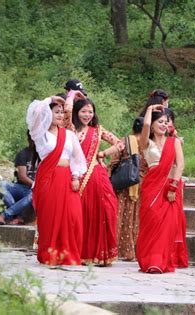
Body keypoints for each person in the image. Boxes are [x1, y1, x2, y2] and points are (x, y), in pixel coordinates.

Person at [26, 95, 87, 265]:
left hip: (67, 177)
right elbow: (36, 112)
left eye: (61, 112)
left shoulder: (69, 135)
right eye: (56, 112)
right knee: (50, 217)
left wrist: (75, 176)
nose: (60, 115)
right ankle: (49, 254)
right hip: (48, 178)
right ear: (48, 113)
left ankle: (67, 254)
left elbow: (77, 158)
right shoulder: (40, 134)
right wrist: (50, 99)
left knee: (73, 217)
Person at [135, 104, 188, 273]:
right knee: (151, 222)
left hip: (169, 187)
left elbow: (180, 165)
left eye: (166, 122)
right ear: (152, 124)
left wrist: (173, 187)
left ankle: (158, 261)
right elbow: (144, 126)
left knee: (167, 226)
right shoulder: (146, 143)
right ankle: (148, 259)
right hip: (151, 187)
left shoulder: (174, 143)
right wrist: (150, 109)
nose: (164, 125)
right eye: (160, 122)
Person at [70, 97, 120, 266]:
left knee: (104, 210)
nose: (87, 115)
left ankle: (99, 254)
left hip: (96, 175)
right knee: (80, 213)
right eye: (83, 111)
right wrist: (71, 95)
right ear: (76, 112)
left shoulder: (97, 130)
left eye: (90, 111)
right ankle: (80, 252)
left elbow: (119, 144)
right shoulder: (70, 129)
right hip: (75, 175)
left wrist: (103, 154)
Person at [101, 117, 144, 261]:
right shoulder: (148, 143)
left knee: (121, 216)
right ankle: (135, 250)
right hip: (142, 185)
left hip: (124, 185)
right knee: (136, 218)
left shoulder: (125, 141)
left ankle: (118, 248)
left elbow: (114, 162)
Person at [0, 131, 37, 225]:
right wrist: (35, 185)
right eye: (32, 138)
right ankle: (18, 216)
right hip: (21, 187)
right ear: (29, 139)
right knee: (1, 185)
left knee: (33, 195)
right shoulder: (23, 154)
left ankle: (6, 215)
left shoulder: (44, 155)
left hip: (33, 192)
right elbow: (22, 177)